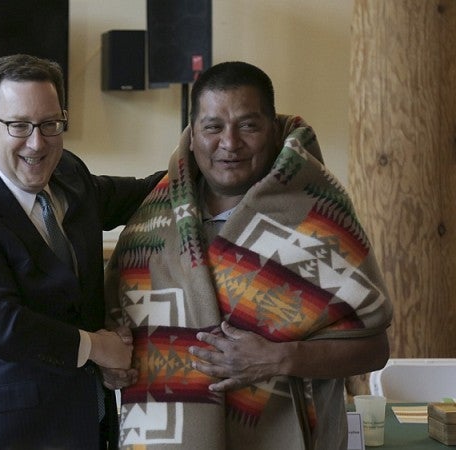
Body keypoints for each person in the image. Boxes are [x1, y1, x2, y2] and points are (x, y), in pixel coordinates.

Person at [104, 61, 394, 450]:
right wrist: (111, 363)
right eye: (213, 127)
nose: (229, 142)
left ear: (273, 131)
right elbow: (114, 332)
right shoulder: (151, 224)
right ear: (191, 136)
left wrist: (280, 358)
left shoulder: (316, 217)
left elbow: (374, 349)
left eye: (248, 125)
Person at [0, 54, 164, 450]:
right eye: (19, 125)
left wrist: (206, 156)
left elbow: (142, 194)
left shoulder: (69, 174)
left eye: (50, 124)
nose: (37, 143)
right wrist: (96, 347)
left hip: (86, 424)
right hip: (4, 434)